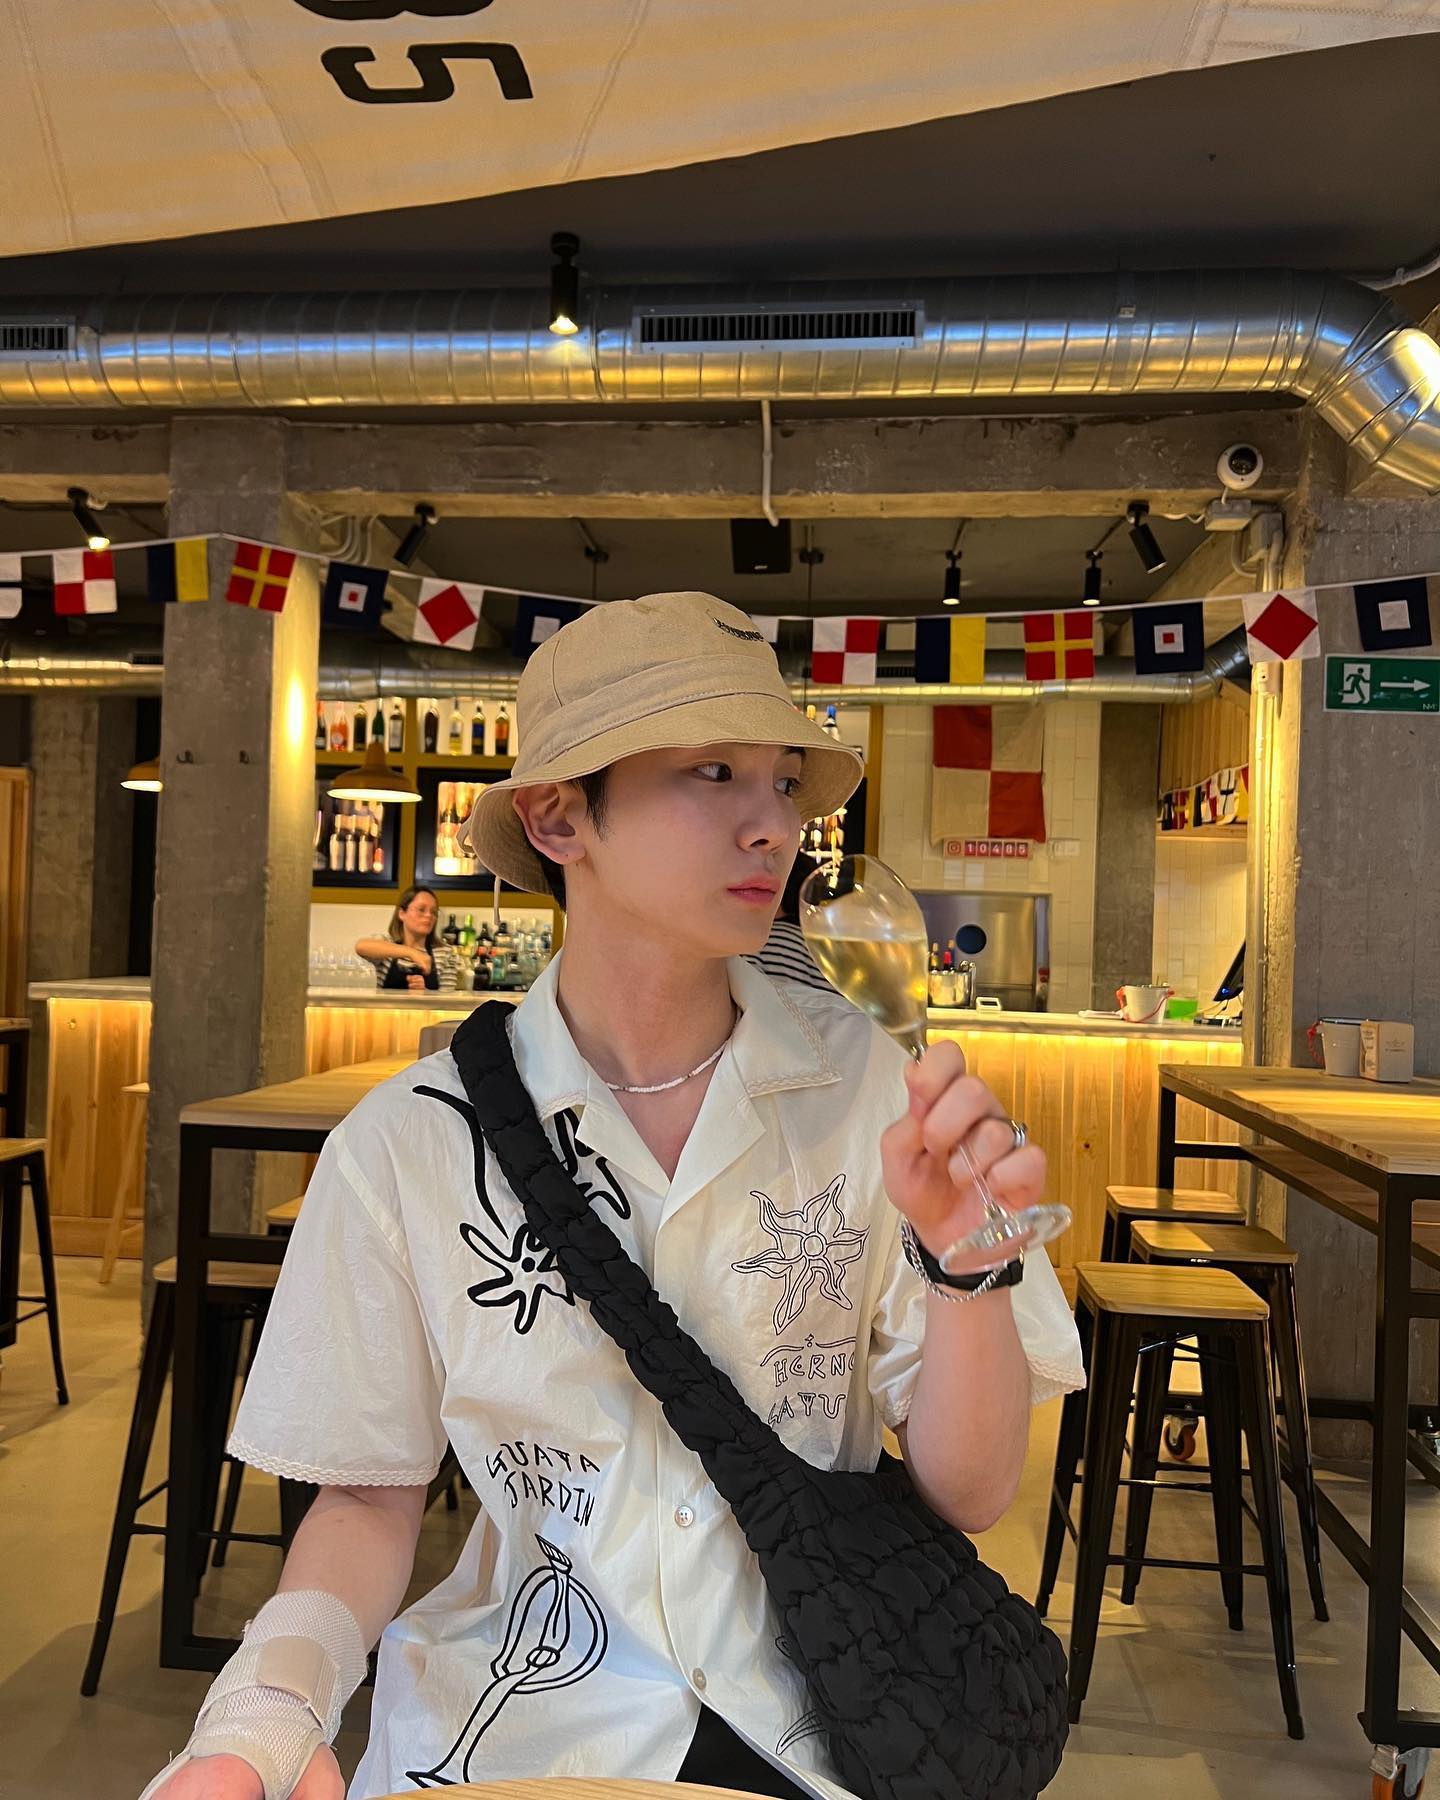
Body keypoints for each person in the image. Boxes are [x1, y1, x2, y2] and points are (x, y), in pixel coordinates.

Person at [141, 592, 1084, 1800]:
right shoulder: (409, 1143)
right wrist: (264, 1719)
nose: (774, 825)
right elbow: (368, 1501)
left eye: (784, 782)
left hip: (823, 1715)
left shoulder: (870, 1098)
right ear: (557, 815)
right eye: (713, 772)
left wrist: (967, 1274)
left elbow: (972, 1493)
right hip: (513, 1730)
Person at [354, 886, 461, 992]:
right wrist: (412, 953)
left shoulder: (444, 953)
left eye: (433, 912)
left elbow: (447, 999)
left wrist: (425, 993)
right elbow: (361, 946)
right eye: (421, 910)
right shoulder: (387, 946)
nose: (429, 915)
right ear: (402, 914)